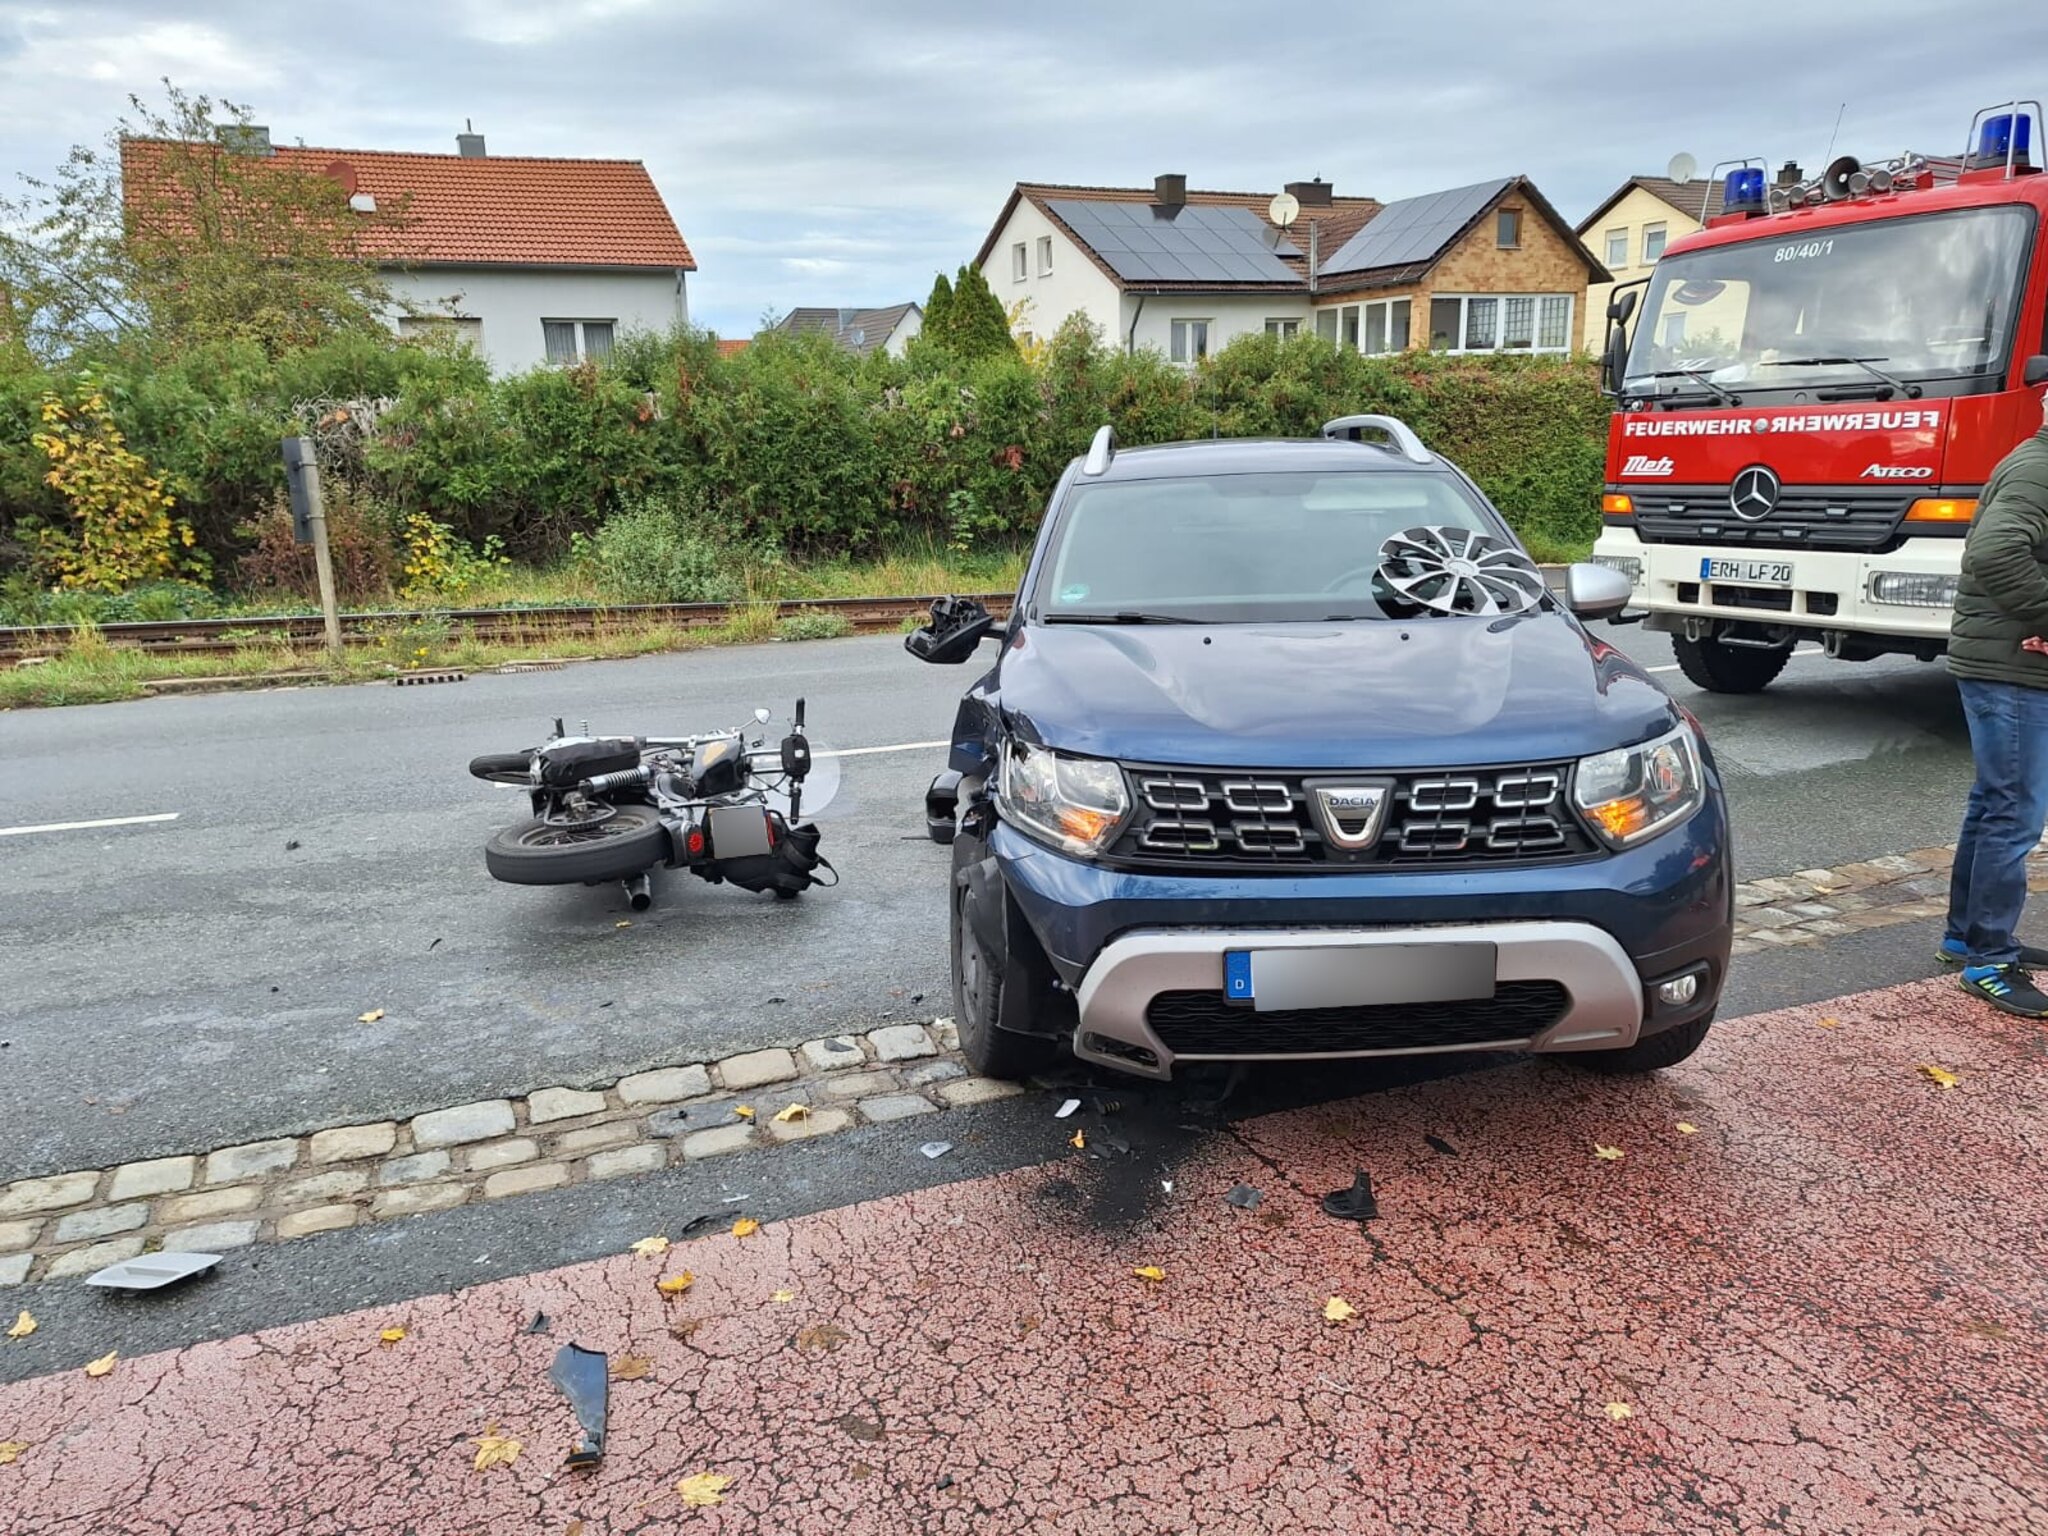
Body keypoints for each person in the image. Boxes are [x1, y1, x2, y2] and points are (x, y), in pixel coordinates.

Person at [1943, 379, 2048, 1015]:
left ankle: (1968, 936)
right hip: (2010, 666)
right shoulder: (2039, 470)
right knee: (2015, 811)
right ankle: (1989, 958)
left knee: (1994, 801)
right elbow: (1994, 551)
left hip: (2008, 660)